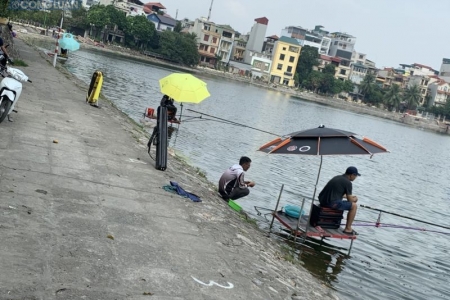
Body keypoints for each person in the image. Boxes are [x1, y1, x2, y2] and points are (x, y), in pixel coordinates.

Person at [318, 166, 360, 235]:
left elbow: (337, 192)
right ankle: (348, 228)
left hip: (322, 200)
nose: (355, 178)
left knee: (348, 203)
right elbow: (350, 200)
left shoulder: (338, 177)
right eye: (355, 176)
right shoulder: (348, 183)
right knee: (354, 206)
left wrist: (349, 197)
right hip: (330, 203)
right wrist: (355, 199)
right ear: (352, 175)